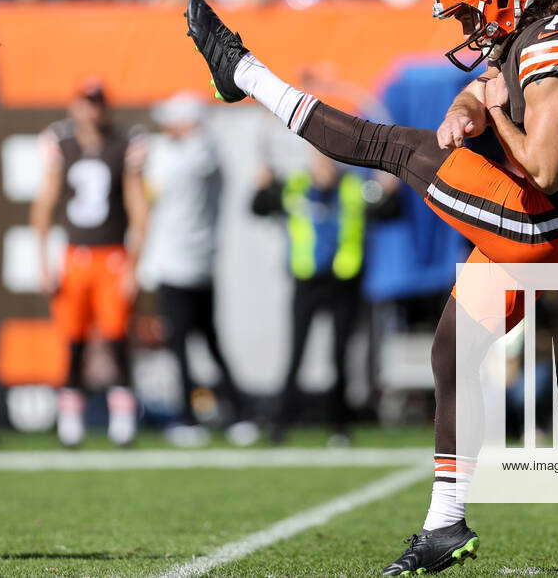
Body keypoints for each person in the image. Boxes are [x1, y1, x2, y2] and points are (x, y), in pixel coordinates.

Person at [185, 0, 558, 575]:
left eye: (466, 15)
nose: (465, 30)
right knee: (452, 349)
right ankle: (445, 524)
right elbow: (486, 92)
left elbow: (548, 167)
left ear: (497, 0)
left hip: (549, 225)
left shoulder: (550, 43)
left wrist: (498, 116)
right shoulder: (531, 34)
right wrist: (466, 106)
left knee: (389, 146)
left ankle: (246, 73)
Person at [30, 79, 149, 448]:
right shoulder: (61, 145)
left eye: (97, 103)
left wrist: (134, 263)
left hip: (112, 255)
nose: (91, 110)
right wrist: (43, 260)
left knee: (115, 338)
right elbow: (45, 204)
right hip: (75, 255)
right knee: (74, 340)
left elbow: (138, 207)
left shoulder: (123, 144)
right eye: (85, 102)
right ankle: (71, 416)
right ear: (74, 106)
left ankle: (123, 415)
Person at [142, 91, 256, 448]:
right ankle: (230, 412)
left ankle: (197, 415)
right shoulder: (187, 151)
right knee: (199, 341)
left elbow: (157, 183)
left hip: (186, 263)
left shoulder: (196, 154)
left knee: (196, 342)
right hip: (179, 262)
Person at [251, 150, 367, 447]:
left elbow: (390, 208)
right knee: (296, 355)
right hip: (307, 281)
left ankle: (340, 426)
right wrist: (262, 185)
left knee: (340, 356)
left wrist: (388, 188)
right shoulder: (296, 187)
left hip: (343, 282)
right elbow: (259, 207)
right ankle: (280, 424)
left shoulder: (355, 187)